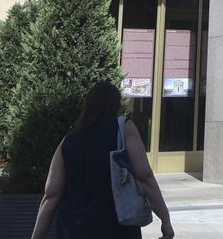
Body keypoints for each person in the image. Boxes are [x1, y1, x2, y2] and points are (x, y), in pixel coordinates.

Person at [31, 81, 175, 239]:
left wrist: (37, 236)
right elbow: (145, 176)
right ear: (115, 105)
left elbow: (51, 193)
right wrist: (165, 219)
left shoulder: (69, 139)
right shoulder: (123, 128)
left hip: (72, 227)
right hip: (115, 225)